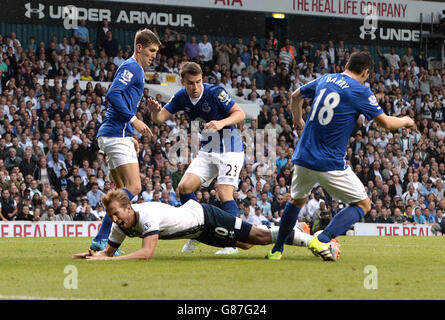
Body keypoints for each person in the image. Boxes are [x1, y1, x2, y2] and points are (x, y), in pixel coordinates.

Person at [266, 51, 416, 261]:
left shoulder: (326, 78)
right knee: (364, 205)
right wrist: (407, 120)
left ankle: (276, 251)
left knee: (296, 202)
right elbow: (387, 124)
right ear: (365, 72)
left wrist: (297, 120)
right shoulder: (360, 90)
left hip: (303, 156)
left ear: (347, 64)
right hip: (328, 163)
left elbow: (295, 96)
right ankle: (324, 238)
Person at [147, 62, 246, 255]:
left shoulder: (215, 92)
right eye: (191, 83)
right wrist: (153, 111)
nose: (195, 87)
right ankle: (198, 232)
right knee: (184, 188)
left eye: (199, 82)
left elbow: (240, 113)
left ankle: (230, 243)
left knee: (224, 193)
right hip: (208, 150)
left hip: (230, 149)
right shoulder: (180, 97)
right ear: (183, 81)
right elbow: (160, 118)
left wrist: (220, 123)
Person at [72, 189, 336, 260]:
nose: (116, 220)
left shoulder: (147, 214)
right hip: (199, 230)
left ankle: (312, 238)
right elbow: (107, 251)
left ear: (129, 207)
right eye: (112, 216)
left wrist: (109, 261)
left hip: (206, 217)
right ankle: (296, 230)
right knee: (245, 244)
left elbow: (146, 253)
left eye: (118, 214)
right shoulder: (120, 225)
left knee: (259, 236)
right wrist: (95, 255)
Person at [89, 28, 161, 252]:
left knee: (121, 190)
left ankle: (107, 241)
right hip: (114, 135)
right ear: (139, 47)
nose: (153, 56)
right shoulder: (132, 67)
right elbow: (112, 94)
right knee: (134, 186)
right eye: (150, 50)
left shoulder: (136, 69)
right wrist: (134, 120)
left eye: (156, 52)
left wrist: (129, 132)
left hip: (115, 134)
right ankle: (102, 237)